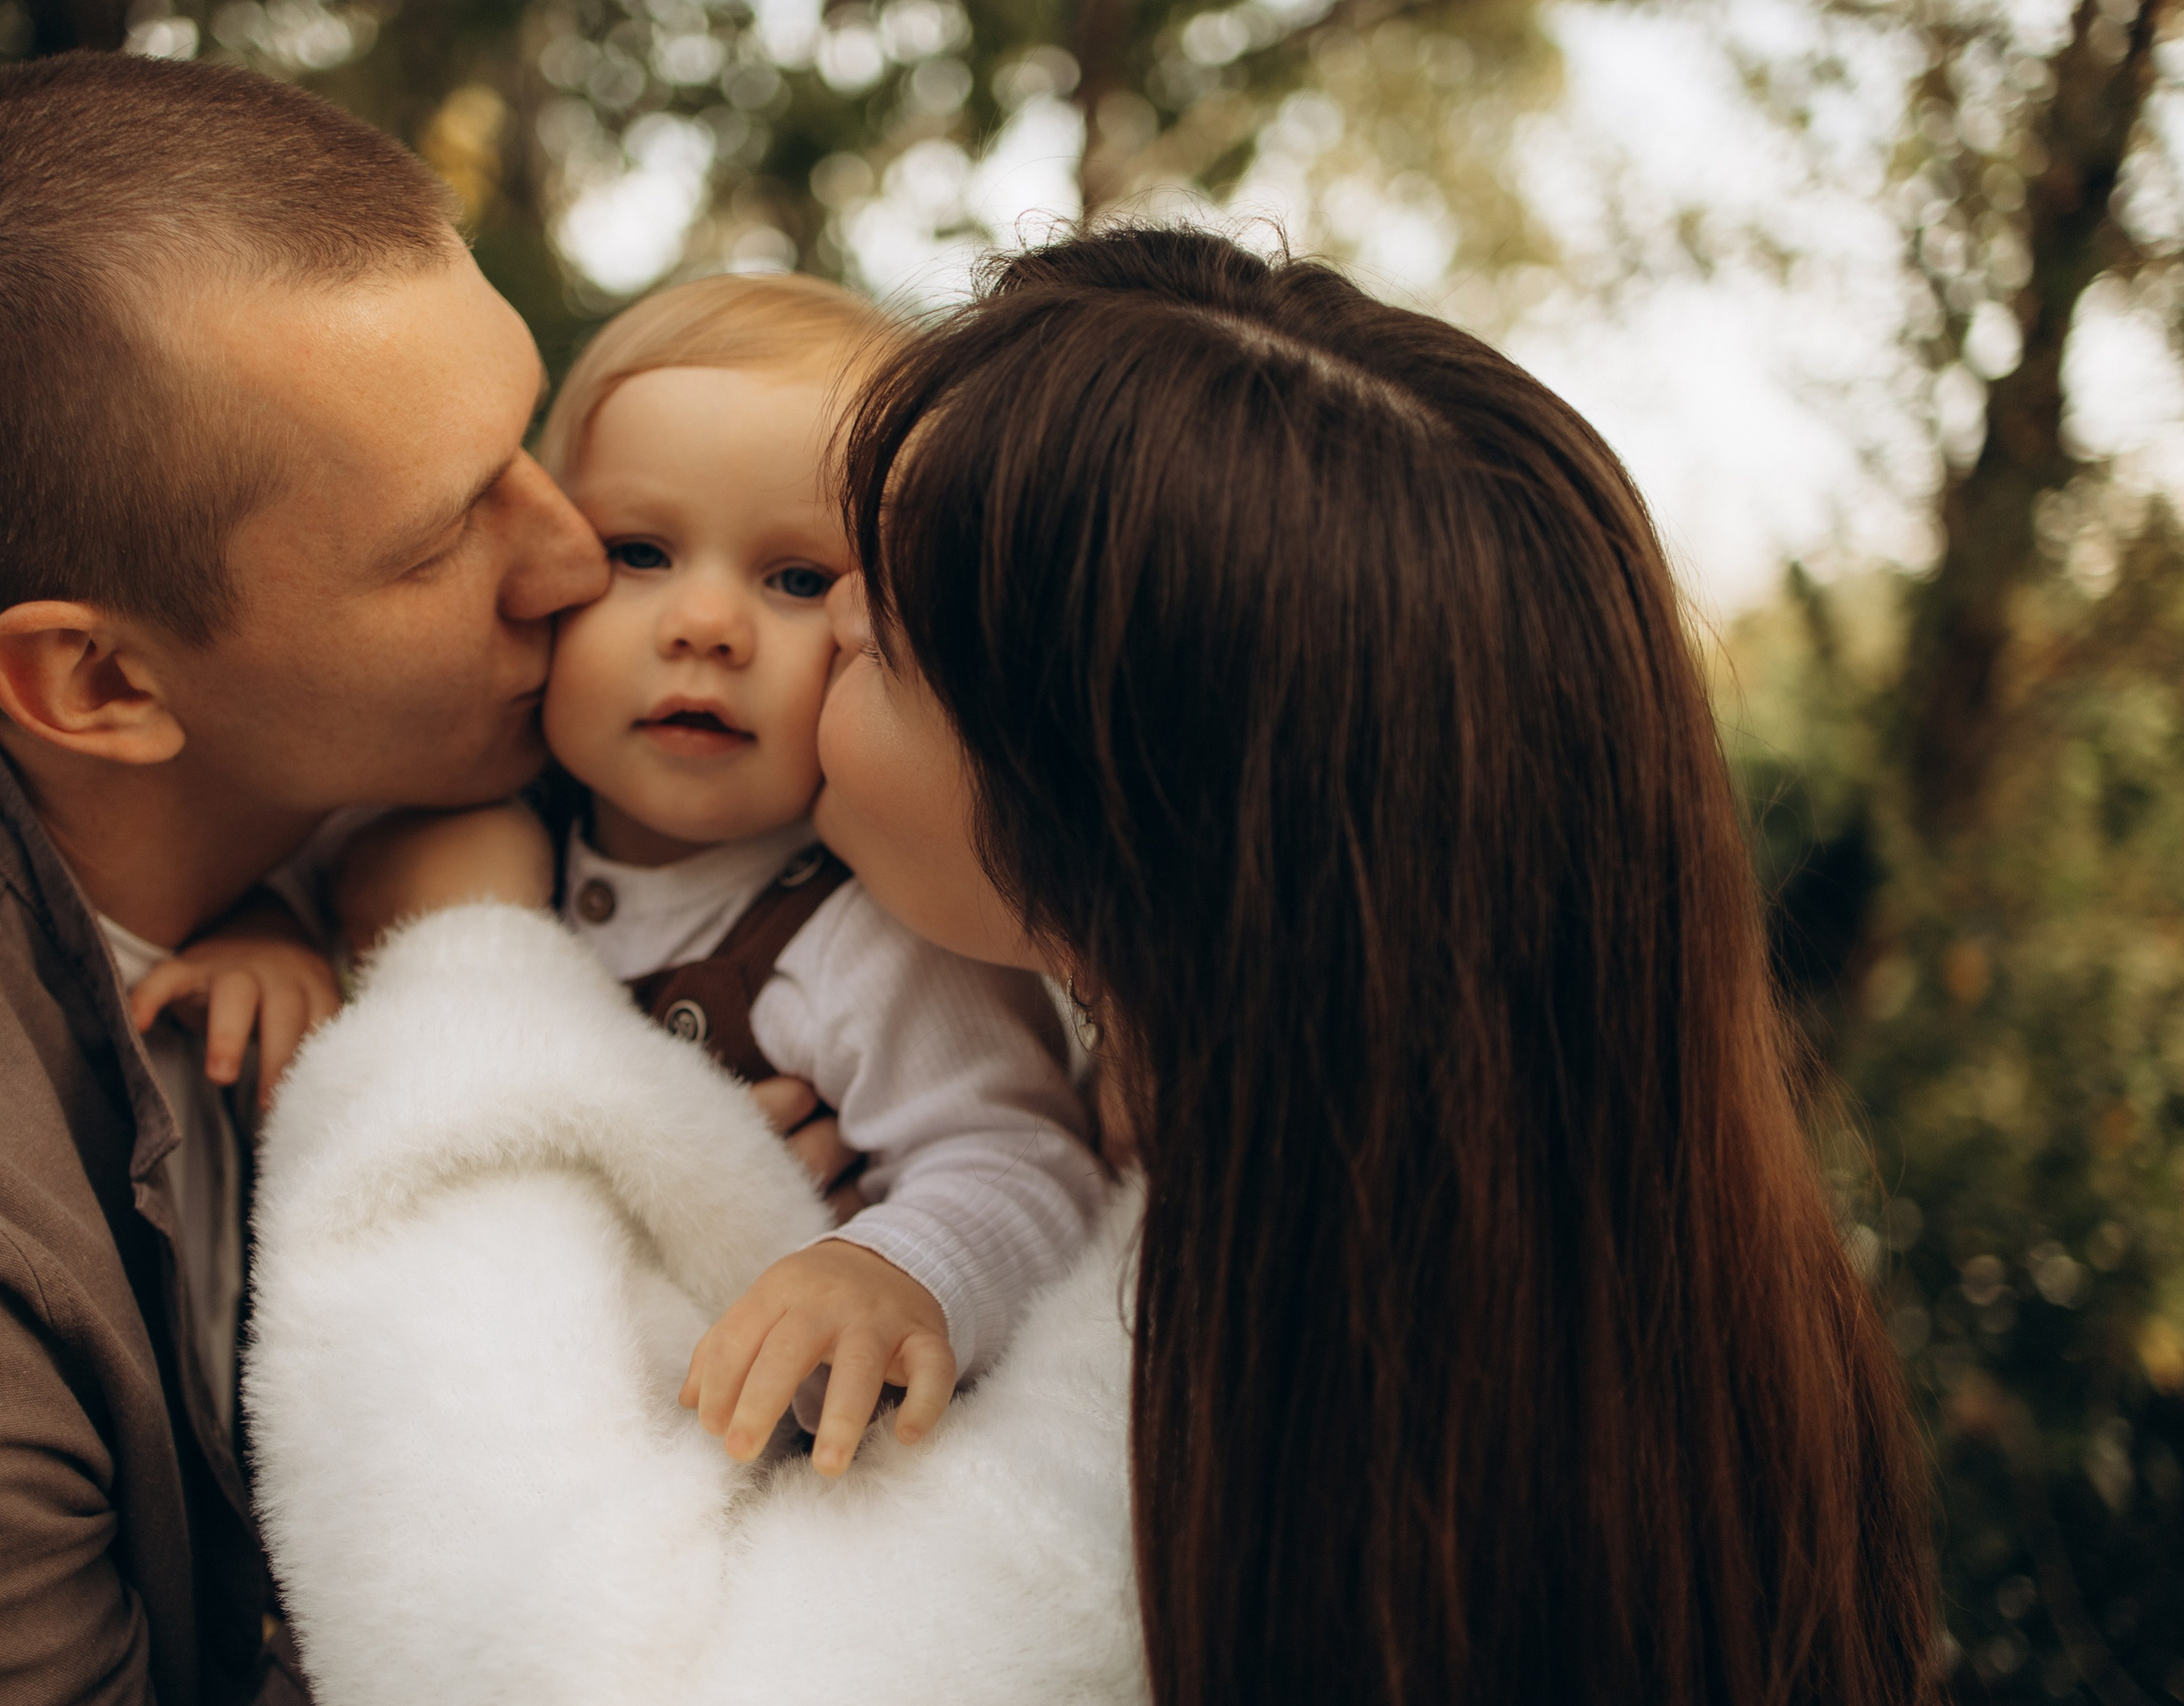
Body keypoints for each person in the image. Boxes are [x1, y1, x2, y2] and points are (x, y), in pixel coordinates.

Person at [243, 226, 1936, 1706]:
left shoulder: (1210, 1416)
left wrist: (453, 961)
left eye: (869, 617)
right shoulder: (1538, 1255)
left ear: (1101, 823)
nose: (783, 638)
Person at [0, 52, 845, 1705]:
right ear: (102, 687)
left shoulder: (417, 771)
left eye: (525, 440)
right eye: (441, 537)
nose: (571, 559)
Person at [171, 273, 1103, 1479]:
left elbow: (1022, 1164)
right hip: (426, 1422)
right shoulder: (466, 802)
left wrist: (891, 1270)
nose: (705, 624)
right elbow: (315, 866)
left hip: (699, 1460)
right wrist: (266, 931)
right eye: (641, 552)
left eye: (796, 579)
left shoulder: (861, 929)